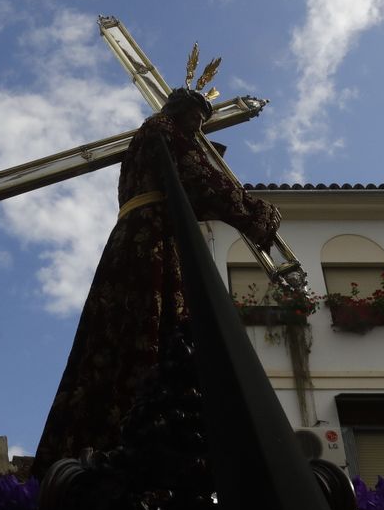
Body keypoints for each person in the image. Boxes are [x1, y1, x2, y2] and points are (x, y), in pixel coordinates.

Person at [33, 87, 280, 473]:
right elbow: (199, 180)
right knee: (154, 328)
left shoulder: (144, 140)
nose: (198, 128)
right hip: (153, 241)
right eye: (197, 119)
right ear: (183, 111)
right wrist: (256, 213)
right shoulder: (163, 130)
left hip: (133, 238)